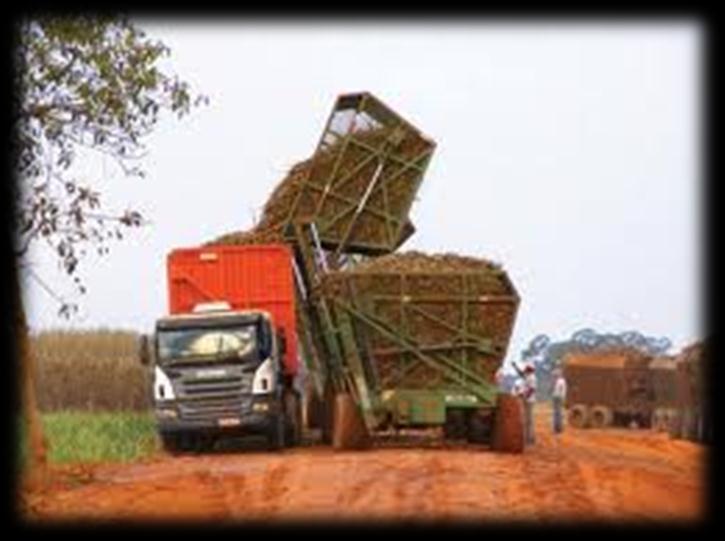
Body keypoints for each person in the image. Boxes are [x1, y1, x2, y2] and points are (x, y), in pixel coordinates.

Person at [551, 368, 567, 434]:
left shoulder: (560, 381)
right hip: (559, 397)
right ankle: (558, 428)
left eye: (555, 375)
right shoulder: (561, 380)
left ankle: (557, 428)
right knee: (558, 413)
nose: (554, 376)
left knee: (557, 413)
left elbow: (559, 389)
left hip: (558, 397)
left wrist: (558, 396)